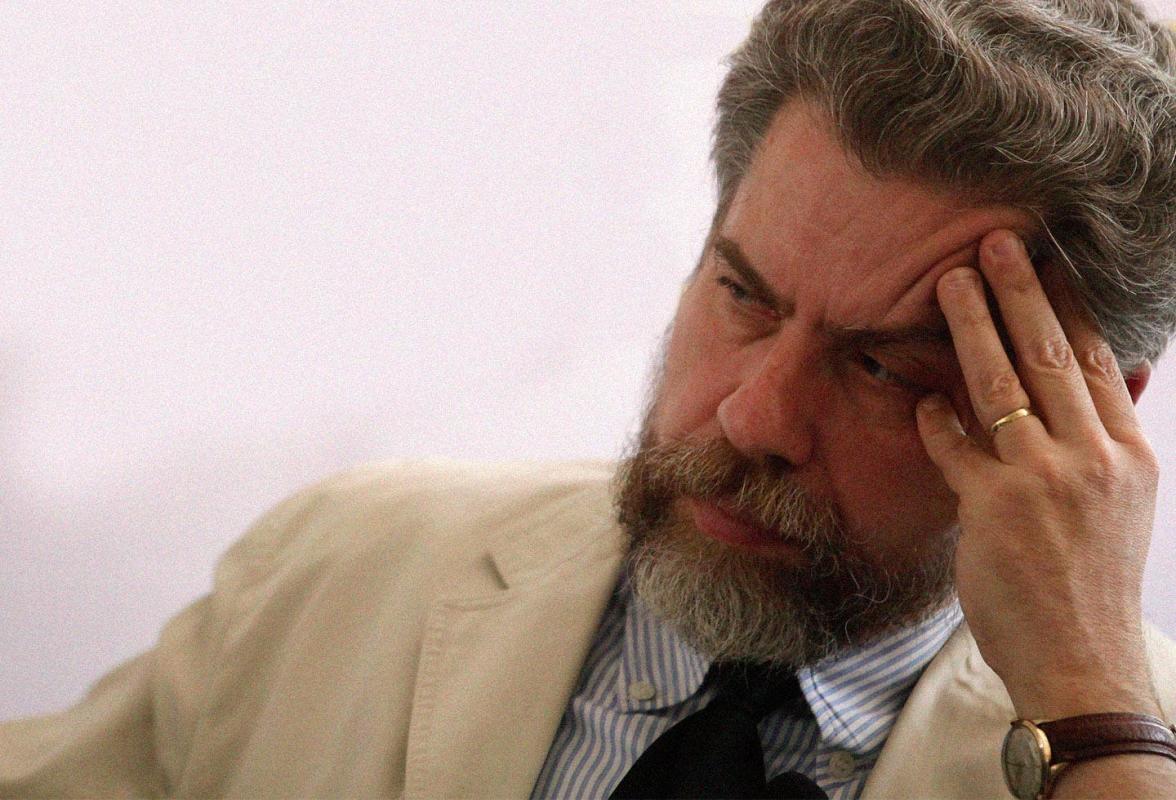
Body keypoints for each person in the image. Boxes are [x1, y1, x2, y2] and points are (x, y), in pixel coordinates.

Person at [5, 0, 1176, 797]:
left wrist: (1092, 714)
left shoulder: (1125, 746)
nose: (752, 417)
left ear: (1095, 420)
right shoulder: (345, 561)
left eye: (881, 366)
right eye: (743, 294)